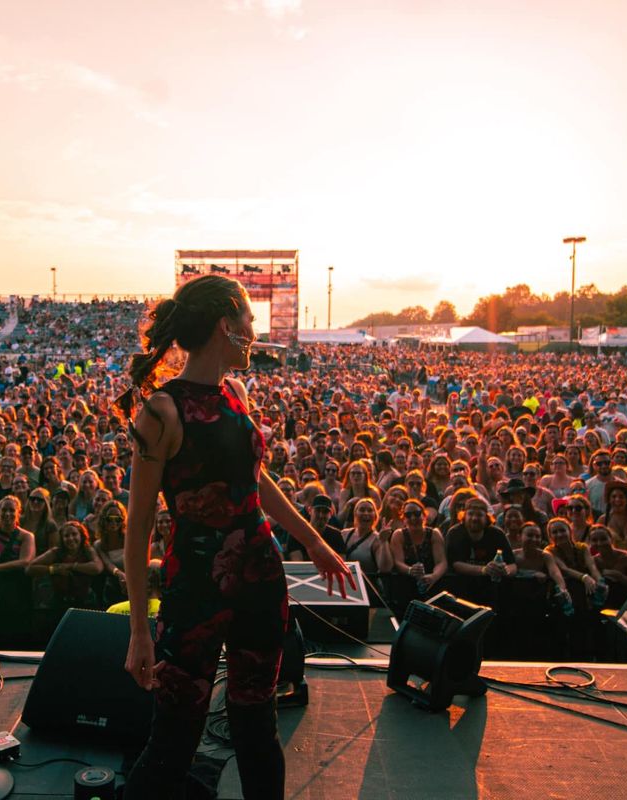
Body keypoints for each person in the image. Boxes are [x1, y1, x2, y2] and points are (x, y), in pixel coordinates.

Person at [116, 275, 354, 799]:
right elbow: (136, 531)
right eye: (249, 319)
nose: (254, 330)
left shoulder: (235, 393)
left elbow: (254, 481)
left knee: (257, 729)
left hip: (260, 582)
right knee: (174, 741)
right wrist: (138, 629)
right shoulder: (161, 411)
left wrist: (312, 540)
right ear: (227, 324)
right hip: (194, 590)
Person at [388, 498, 446, 617]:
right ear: (404, 519)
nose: (413, 518)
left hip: (431, 586)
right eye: (408, 515)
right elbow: (398, 562)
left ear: (424, 516)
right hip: (406, 587)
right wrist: (410, 570)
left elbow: (441, 562)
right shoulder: (399, 535)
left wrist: (433, 577)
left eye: (417, 514)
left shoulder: (434, 534)